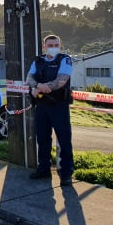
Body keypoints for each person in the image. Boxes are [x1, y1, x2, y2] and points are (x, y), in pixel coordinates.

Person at [26, 34, 74, 186]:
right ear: (44, 46)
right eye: (50, 45)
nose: (53, 47)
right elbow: (30, 78)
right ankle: (44, 169)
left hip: (59, 106)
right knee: (42, 139)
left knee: (64, 140)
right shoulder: (38, 61)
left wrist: (43, 87)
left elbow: (62, 80)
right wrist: (37, 87)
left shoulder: (65, 59)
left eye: (56, 45)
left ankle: (66, 174)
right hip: (42, 106)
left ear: (60, 46)